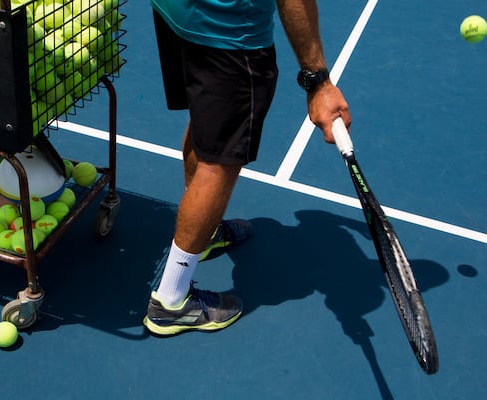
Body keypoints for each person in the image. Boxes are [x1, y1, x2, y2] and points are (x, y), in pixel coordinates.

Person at [143, 0, 352, 336]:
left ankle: (205, 233)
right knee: (220, 161)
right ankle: (170, 301)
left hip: (175, 11)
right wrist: (319, 82)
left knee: (206, 126)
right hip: (228, 33)